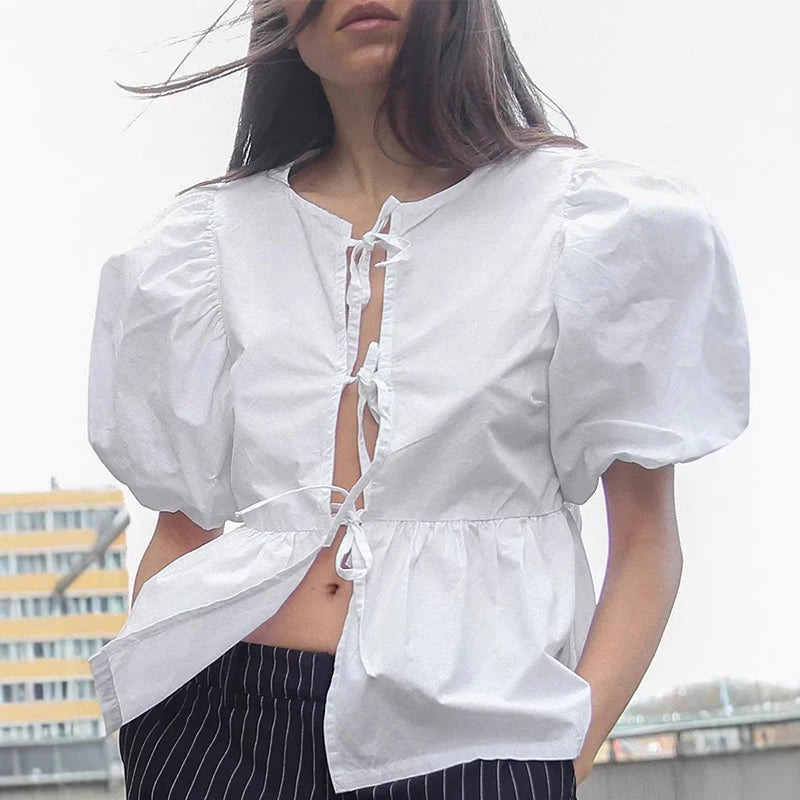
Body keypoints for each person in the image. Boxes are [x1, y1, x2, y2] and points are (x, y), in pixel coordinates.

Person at [86, 1, 751, 798]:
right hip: (216, 728)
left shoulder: (590, 224)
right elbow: (182, 529)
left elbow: (644, 541)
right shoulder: (201, 243)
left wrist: (559, 761)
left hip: (478, 741)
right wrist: (147, 733)